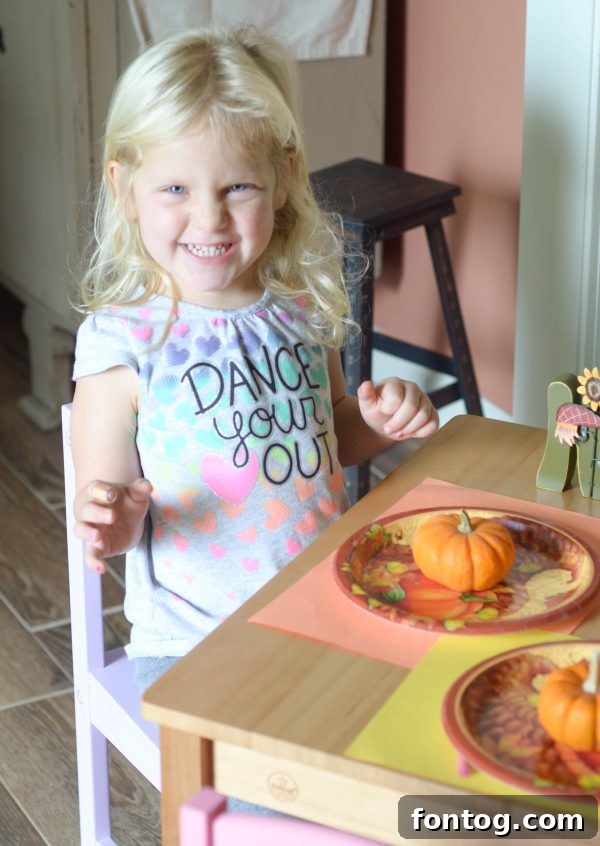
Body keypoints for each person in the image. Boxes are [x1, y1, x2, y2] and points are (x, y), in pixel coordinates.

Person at [71, 26, 439, 695]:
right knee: (279, 775)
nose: (209, 218)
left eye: (237, 186)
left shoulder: (298, 307)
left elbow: (332, 435)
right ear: (125, 188)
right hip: (193, 645)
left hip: (323, 606)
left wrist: (381, 420)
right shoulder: (121, 345)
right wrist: (115, 520)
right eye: (176, 189)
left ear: (281, 179)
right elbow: (109, 511)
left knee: (416, 705)